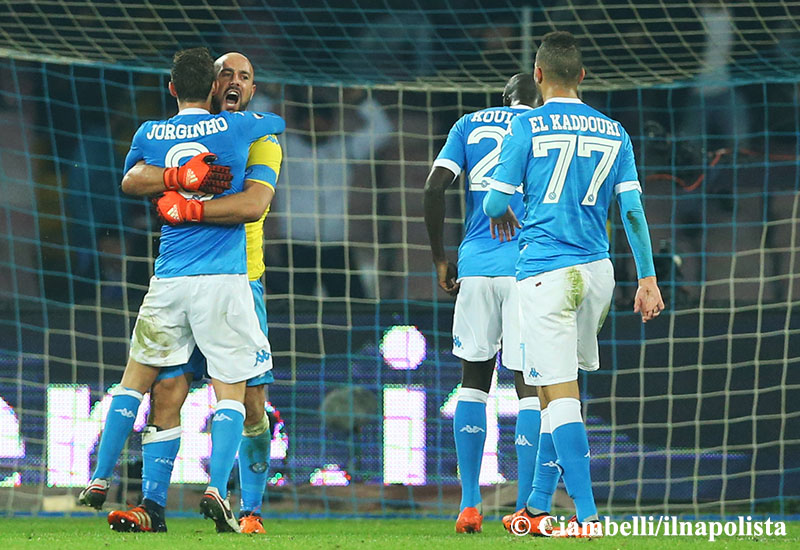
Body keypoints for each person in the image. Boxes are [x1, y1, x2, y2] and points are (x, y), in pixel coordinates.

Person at [76, 47, 285, 534]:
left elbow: (252, 204)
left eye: (244, 76)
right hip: (206, 282)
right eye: (225, 74)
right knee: (167, 393)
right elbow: (138, 177)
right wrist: (178, 176)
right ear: (212, 86)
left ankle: (248, 509)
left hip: (241, 281)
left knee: (253, 406)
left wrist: (184, 206)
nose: (234, 81)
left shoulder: (260, 142)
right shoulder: (219, 130)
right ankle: (153, 506)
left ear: (251, 88)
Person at [483, 31, 664, 538]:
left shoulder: (526, 125)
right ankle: (537, 506)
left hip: (545, 272)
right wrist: (647, 277)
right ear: (582, 76)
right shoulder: (615, 131)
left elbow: (495, 206)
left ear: (537, 75)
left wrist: (522, 211)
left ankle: (586, 516)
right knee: (552, 390)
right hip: (599, 273)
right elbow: (631, 209)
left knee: (559, 395)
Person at [423, 74, 541, 534]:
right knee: (530, 385)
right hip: (529, 267)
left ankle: (470, 504)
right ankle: (529, 509)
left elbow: (434, 188)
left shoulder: (469, 124)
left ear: (503, 100)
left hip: (475, 267)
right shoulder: (548, 126)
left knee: (474, 382)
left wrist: (439, 259)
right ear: (539, 98)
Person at [269, 89, 392, 299]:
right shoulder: (284, 148)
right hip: (295, 245)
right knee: (294, 310)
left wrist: (362, 100)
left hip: (335, 245)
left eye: (322, 121)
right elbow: (253, 131)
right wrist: (266, 95)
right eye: (310, 121)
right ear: (300, 123)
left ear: (331, 122)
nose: (316, 126)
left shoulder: (345, 149)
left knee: (355, 306)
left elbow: (383, 130)